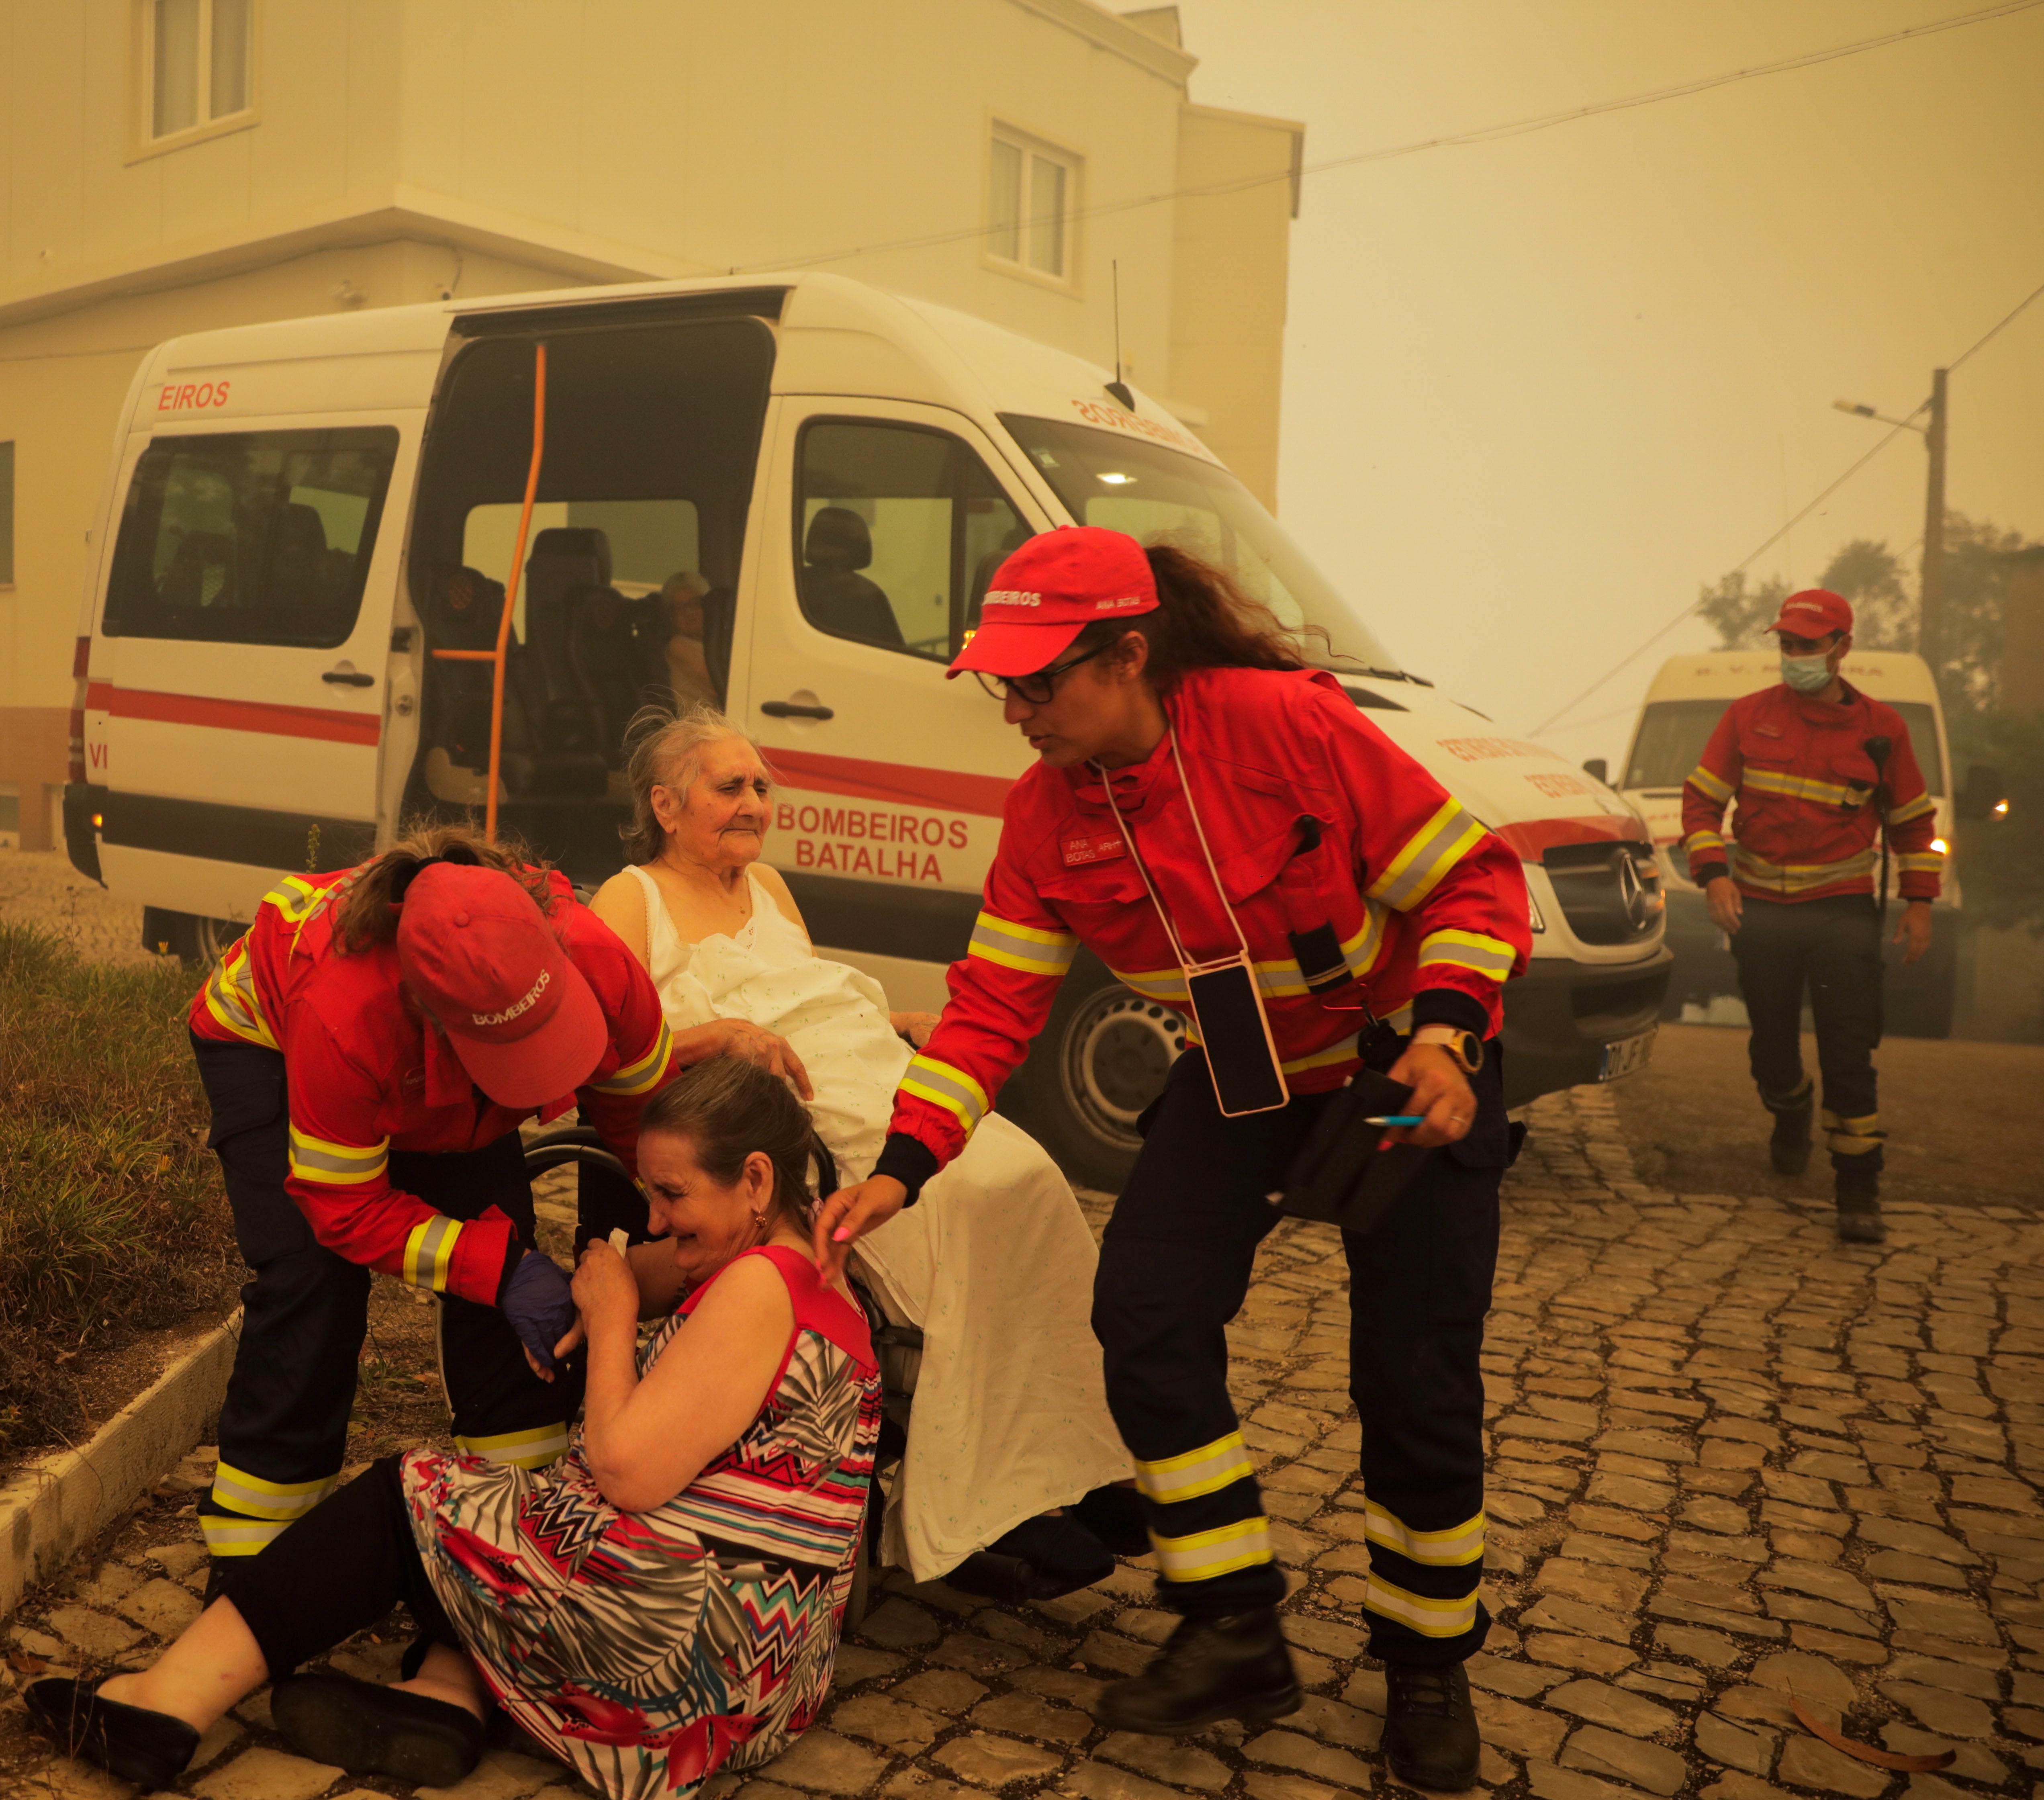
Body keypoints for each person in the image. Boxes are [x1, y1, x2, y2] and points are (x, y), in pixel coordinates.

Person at [813, 528, 1532, 1793]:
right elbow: (986, 1010)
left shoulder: (1281, 728)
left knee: (1412, 1378)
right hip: (1242, 1078)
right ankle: (1233, 1620)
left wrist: (1446, 1035)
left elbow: (1470, 879)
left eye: (1042, 682)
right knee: (1139, 1312)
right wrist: (902, 1164)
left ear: (1128, 654)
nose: (1020, 711)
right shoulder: (1042, 817)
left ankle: (1425, 1662)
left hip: (1392, 1074)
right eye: (1005, 687)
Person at [26, 1056, 883, 1800]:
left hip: (681, 1656)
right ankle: (450, 1694)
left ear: (759, 1180)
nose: (653, 1215)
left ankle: (164, 1701)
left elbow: (626, 1470)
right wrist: (616, 1270)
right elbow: (641, 1267)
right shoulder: (800, 1269)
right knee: (519, 1513)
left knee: (413, 1496)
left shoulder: (755, 1289)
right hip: (761, 1675)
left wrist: (615, 1314)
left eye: (671, 1192)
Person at [587, 706, 1140, 1598]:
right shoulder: (631, 896)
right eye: (730, 785)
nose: (754, 802)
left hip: (857, 1062)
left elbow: (804, 992)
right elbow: (603, 1048)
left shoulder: (768, 887)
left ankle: (1066, 1458)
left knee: (1026, 1176)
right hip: (767, 1107)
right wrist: (713, 1036)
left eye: (762, 784)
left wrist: (895, 1021)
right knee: (952, 1200)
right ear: (665, 802)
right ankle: (989, 1498)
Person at [182, 825, 677, 1596]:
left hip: (423, 1066)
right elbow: (342, 1208)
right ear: (432, 1017)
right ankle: (257, 1563)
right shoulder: (346, 1012)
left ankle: (514, 1528)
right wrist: (499, 1268)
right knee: (313, 1285)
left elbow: (644, 1121)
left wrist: (654, 1237)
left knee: (503, 1243)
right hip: (268, 1045)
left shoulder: (598, 957)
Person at [1679, 587, 1941, 1243]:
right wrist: (1714, 878)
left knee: (1849, 1052)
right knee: (1771, 1049)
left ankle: (1858, 1189)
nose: (1793, 656)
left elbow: (1913, 824)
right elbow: (1701, 806)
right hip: (1761, 909)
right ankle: (1789, 1108)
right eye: (1786, 645)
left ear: (1841, 648)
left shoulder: (1884, 731)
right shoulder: (1747, 717)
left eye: (1806, 646)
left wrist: (1919, 905)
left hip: (1842, 911)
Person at [657, 571, 721, 712]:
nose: (689, 612)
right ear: (672, 618)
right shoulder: (678, 647)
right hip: (700, 727)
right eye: (680, 608)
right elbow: (720, 685)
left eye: (695, 604)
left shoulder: (713, 643)